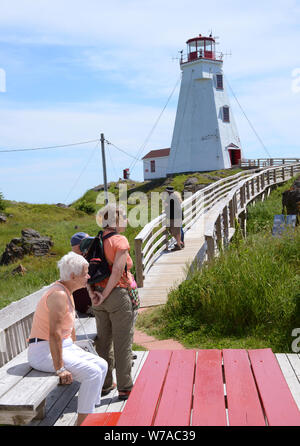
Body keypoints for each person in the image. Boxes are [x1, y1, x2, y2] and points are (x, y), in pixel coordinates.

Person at [27, 251, 108, 426]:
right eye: (85, 273)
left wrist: (75, 347)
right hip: (43, 350)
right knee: (92, 373)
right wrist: (60, 368)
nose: (88, 276)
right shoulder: (58, 295)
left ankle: (90, 416)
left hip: (62, 346)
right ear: (72, 276)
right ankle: (84, 423)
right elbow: (54, 333)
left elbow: (67, 329)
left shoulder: (66, 290)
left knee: (102, 365)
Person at [88, 203, 135, 401]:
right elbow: (117, 272)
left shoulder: (96, 240)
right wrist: (106, 294)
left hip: (98, 297)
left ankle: (106, 383)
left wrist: (93, 294)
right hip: (116, 295)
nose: (126, 221)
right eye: (123, 217)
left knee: (103, 342)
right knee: (122, 341)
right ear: (114, 220)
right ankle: (124, 387)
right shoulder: (119, 240)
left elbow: (86, 271)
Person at [70, 232, 94, 314]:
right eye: (87, 243)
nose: (90, 246)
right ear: (79, 246)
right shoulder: (76, 263)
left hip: (91, 304)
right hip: (86, 307)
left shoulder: (84, 258)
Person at [163, 186, 184, 250]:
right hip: (178, 215)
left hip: (174, 216)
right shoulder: (175, 196)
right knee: (177, 230)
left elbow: (167, 207)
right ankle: (179, 243)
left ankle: (179, 244)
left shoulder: (169, 197)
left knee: (173, 230)